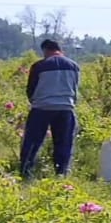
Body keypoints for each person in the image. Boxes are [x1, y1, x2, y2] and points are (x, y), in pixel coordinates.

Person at [19, 39, 80, 180]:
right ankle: (61, 174)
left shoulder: (39, 66)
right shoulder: (74, 66)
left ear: (45, 50)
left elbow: (31, 90)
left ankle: (25, 172)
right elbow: (75, 89)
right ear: (60, 50)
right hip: (66, 109)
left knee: (32, 142)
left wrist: (35, 101)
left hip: (41, 108)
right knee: (63, 143)